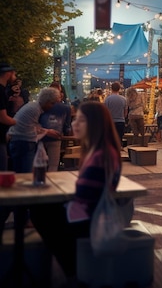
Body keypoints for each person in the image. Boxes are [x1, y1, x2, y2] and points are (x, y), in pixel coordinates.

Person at [30, 101, 123, 280]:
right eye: (75, 119)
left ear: (94, 124)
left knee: (39, 211)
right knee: (42, 208)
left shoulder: (100, 156)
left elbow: (85, 201)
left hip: (91, 220)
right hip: (90, 213)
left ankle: (73, 270)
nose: (74, 124)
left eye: (81, 120)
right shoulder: (99, 151)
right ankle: (72, 268)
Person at [7, 87, 62, 173]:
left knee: (19, 173)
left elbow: (31, 126)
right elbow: (31, 130)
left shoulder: (32, 106)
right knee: (27, 174)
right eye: (52, 103)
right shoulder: (35, 109)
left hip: (16, 141)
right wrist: (48, 132)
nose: (52, 106)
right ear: (46, 101)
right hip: (24, 142)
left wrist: (46, 131)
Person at [39, 82, 72, 171]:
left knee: (40, 163)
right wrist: (66, 135)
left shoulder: (41, 105)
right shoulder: (66, 108)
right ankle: (51, 182)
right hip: (56, 136)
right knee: (53, 164)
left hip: (40, 137)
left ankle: (40, 180)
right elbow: (67, 125)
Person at [0, 63, 17, 171]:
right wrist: (17, 121)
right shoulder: (0, 91)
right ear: (8, 73)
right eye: (14, 74)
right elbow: (3, 118)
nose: (15, 77)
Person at [104, 81, 127, 145]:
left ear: (111, 88)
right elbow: (125, 112)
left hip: (110, 122)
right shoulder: (124, 99)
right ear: (119, 89)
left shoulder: (107, 99)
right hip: (121, 121)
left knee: (110, 139)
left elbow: (105, 111)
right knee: (119, 139)